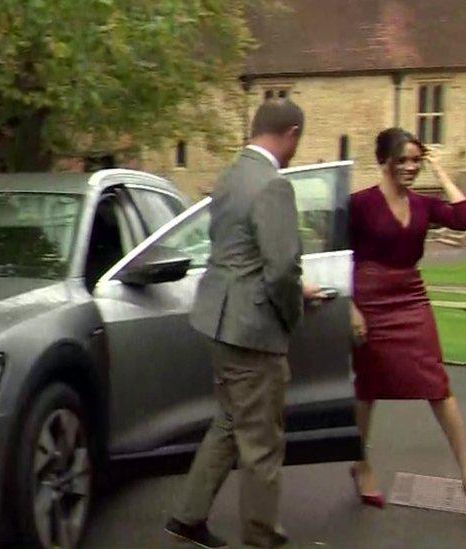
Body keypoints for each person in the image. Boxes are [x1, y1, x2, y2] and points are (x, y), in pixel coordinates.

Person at [165, 99, 326, 548]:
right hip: (251, 333)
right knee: (262, 444)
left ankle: (186, 517)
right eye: (298, 141)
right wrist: (293, 314)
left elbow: (239, 254)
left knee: (230, 422)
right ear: (291, 133)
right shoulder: (274, 185)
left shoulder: (231, 175)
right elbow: (280, 269)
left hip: (217, 322)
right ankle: (261, 539)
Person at [348, 128, 466, 519]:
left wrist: (439, 168)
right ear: (385, 162)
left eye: (415, 160)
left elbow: (465, 218)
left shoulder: (423, 205)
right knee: (368, 389)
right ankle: (361, 464)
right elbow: (341, 256)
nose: (410, 167)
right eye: (403, 160)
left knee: (437, 386)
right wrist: (351, 308)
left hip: (411, 298)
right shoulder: (359, 204)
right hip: (369, 299)